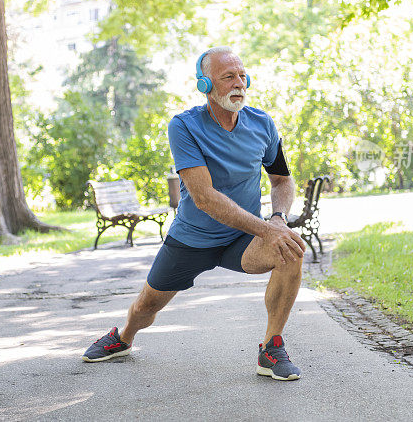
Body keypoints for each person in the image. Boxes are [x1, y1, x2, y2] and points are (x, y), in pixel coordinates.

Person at [82, 46, 307, 381]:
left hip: (244, 238)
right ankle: (123, 338)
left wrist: (277, 219)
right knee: (146, 307)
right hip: (192, 238)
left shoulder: (262, 124)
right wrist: (266, 229)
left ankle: (271, 348)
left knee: (290, 249)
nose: (238, 83)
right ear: (205, 85)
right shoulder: (184, 126)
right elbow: (205, 198)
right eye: (228, 77)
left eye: (242, 75)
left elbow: (281, 180)